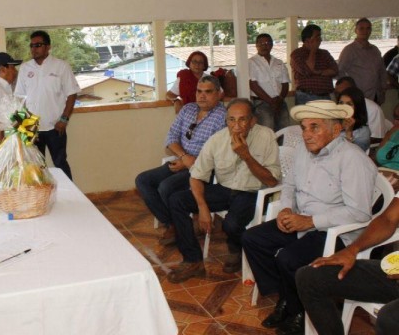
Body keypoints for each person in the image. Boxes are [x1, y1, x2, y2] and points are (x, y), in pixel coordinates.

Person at [242, 100, 377, 335]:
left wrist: (311, 222)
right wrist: (285, 209)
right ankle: (289, 298)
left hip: (336, 230)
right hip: (302, 219)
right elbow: (290, 185)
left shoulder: (352, 159)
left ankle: (298, 310)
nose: (306, 134)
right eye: (304, 127)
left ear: (336, 129)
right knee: (252, 239)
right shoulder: (304, 151)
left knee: (288, 259)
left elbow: (359, 212)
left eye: (314, 127)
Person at [165, 98, 280, 283]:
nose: (236, 125)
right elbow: (196, 175)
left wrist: (246, 155)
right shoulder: (217, 139)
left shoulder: (266, 136)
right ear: (226, 121)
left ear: (252, 121)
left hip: (253, 192)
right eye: (231, 120)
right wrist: (202, 208)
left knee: (231, 224)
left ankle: (236, 249)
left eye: (242, 120)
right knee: (177, 200)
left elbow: (272, 181)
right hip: (225, 189)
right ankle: (193, 260)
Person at [136, 76, 226, 246]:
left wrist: (189, 161)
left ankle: (177, 226)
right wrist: (184, 158)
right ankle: (173, 223)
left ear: (218, 94)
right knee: (143, 180)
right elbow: (171, 137)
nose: (202, 96)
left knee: (166, 187)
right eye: (199, 91)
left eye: (208, 92)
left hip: (205, 168)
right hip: (183, 160)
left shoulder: (222, 116)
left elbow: (217, 152)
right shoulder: (188, 109)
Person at [296, 194, 399, 335]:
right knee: (310, 277)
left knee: (390, 319)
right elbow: (388, 219)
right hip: (394, 274)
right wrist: (352, 249)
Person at [14, 30, 80, 180]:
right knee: (35, 167)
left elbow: (72, 93)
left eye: (38, 45)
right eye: (31, 45)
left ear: (48, 47)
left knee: (60, 163)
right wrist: (24, 126)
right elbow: (19, 98)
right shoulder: (25, 68)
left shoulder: (61, 66)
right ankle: (41, 200)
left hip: (55, 127)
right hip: (32, 128)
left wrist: (64, 119)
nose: (34, 49)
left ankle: (71, 198)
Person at [338, 18, 386, 104]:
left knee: (374, 116)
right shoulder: (349, 50)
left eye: (368, 28)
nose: (365, 31)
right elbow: (340, 71)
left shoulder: (375, 50)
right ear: (356, 30)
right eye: (361, 28)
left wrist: (383, 88)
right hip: (358, 96)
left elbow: (382, 71)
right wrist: (348, 90)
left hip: (375, 95)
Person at [249, 33, 290, 131]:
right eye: (261, 43)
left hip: (280, 102)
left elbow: (285, 83)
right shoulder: (251, 62)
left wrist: (279, 100)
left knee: (284, 130)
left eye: (267, 43)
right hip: (261, 103)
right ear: (256, 45)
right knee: (267, 133)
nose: (264, 45)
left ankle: (282, 147)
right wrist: (271, 101)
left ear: (272, 45)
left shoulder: (279, 62)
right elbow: (253, 85)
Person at [290, 24, 338, 105]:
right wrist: (313, 50)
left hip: (326, 96)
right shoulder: (297, 54)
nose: (320, 39)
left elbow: (335, 70)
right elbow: (308, 70)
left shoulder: (324, 53)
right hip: (306, 97)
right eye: (317, 37)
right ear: (307, 40)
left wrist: (318, 72)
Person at [334, 76, 388, 143]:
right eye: (336, 93)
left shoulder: (373, 109)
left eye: (349, 104)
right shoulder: (335, 115)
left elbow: (377, 139)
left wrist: (349, 133)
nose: (339, 96)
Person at [337, 86, 371, 151]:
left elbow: (354, 156)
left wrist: (349, 132)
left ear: (358, 107)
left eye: (349, 104)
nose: (344, 107)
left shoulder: (363, 132)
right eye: (341, 103)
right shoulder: (332, 122)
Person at [376, 104, 399, 170]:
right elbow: (378, 156)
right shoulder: (393, 130)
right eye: (395, 117)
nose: (395, 122)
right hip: (382, 174)